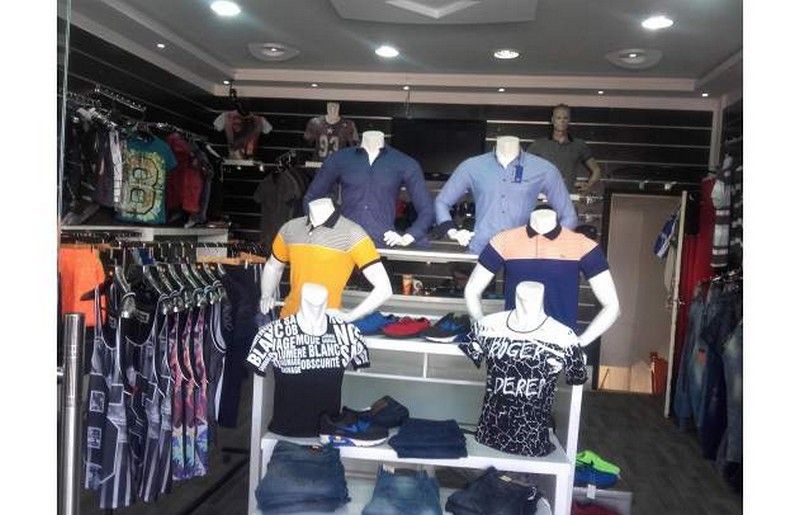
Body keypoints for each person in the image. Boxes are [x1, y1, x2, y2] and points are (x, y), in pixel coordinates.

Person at [527, 104, 602, 194]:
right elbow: (523, 168)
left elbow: (596, 170)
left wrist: (589, 185)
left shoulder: (579, 145)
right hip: (543, 196)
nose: (562, 121)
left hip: (568, 196)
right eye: (558, 118)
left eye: (565, 118)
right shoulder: (539, 144)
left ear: (569, 120)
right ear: (553, 120)